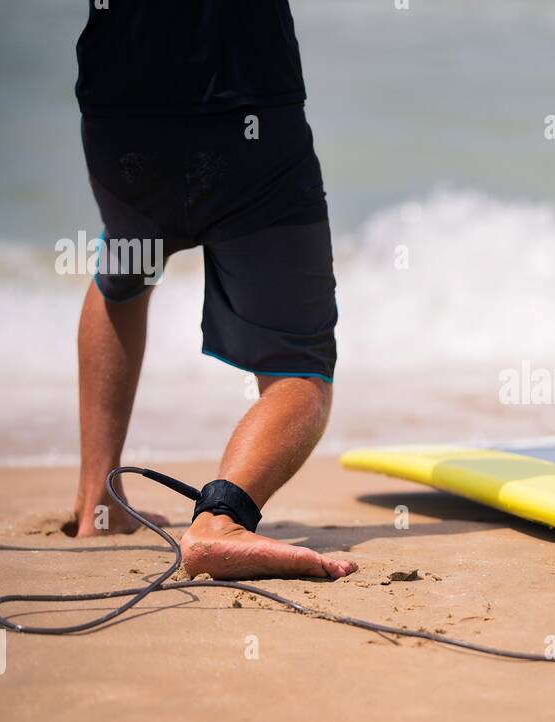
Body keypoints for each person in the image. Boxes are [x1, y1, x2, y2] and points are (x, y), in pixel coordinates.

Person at [70, 1, 356, 581]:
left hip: (119, 118)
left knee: (126, 270)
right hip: (248, 112)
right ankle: (221, 518)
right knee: (299, 365)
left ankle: (96, 505)